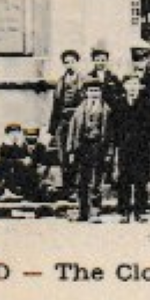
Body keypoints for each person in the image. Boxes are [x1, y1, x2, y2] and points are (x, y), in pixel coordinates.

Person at [61, 79, 113, 222]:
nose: (94, 94)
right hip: (83, 147)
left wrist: (109, 152)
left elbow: (110, 134)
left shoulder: (106, 110)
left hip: (98, 147)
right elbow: (72, 131)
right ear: (86, 93)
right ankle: (83, 212)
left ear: (101, 93)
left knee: (96, 181)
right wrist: (71, 150)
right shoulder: (80, 109)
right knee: (82, 181)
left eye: (97, 91)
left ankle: (95, 212)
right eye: (91, 91)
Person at [113, 75, 150, 223]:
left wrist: (144, 138)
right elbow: (114, 126)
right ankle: (124, 211)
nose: (132, 87)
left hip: (141, 146)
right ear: (124, 86)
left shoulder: (147, 104)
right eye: (129, 84)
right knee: (124, 178)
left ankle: (140, 211)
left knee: (141, 178)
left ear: (139, 86)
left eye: (135, 84)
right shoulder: (118, 104)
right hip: (124, 146)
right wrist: (118, 142)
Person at [48, 49, 86, 143]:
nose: (70, 65)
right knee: (62, 147)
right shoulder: (60, 82)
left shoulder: (84, 81)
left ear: (77, 62)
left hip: (79, 121)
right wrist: (52, 129)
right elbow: (55, 106)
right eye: (66, 62)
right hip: (63, 121)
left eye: (72, 62)